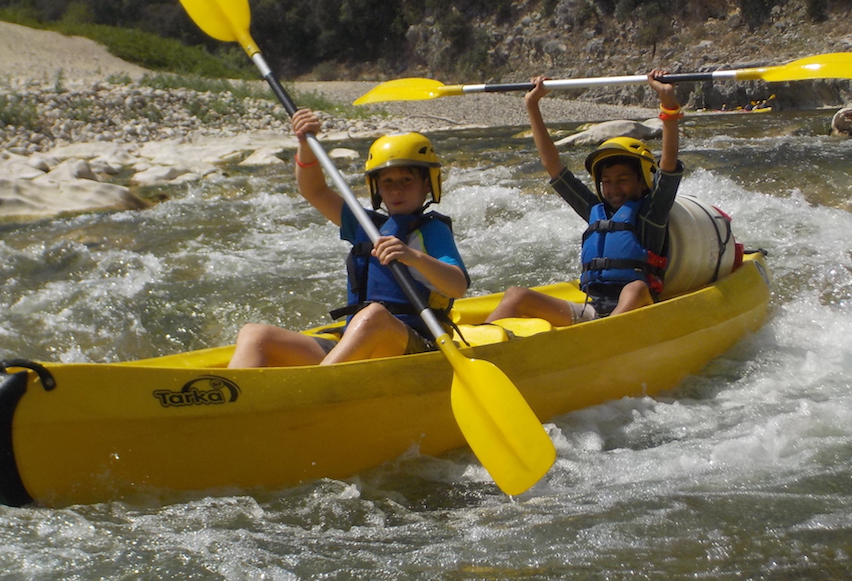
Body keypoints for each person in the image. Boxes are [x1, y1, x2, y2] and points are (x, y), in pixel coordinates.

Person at [228, 109, 470, 367]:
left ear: (427, 184)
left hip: (419, 345)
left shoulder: (432, 230)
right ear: (377, 189)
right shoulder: (365, 225)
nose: (396, 189)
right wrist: (304, 143)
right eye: (387, 182)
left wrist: (414, 258)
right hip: (359, 339)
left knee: (374, 315)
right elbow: (315, 191)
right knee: (255, 335)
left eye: (407, 180)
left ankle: (318, 389)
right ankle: (230, 402)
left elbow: (457, 286)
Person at [485, 69, 683, 326]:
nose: (613, 188)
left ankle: (604, 336)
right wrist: (532, 104)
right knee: (515, 295)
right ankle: (476, 347)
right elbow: (552, 163)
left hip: (639, 305)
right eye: (607, 182)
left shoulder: (652, 212)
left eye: (622, 180)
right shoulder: (593, 209)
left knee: (633, 289)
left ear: (642, 180)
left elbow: (667, 165)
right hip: (592, 309)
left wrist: (668, 104)